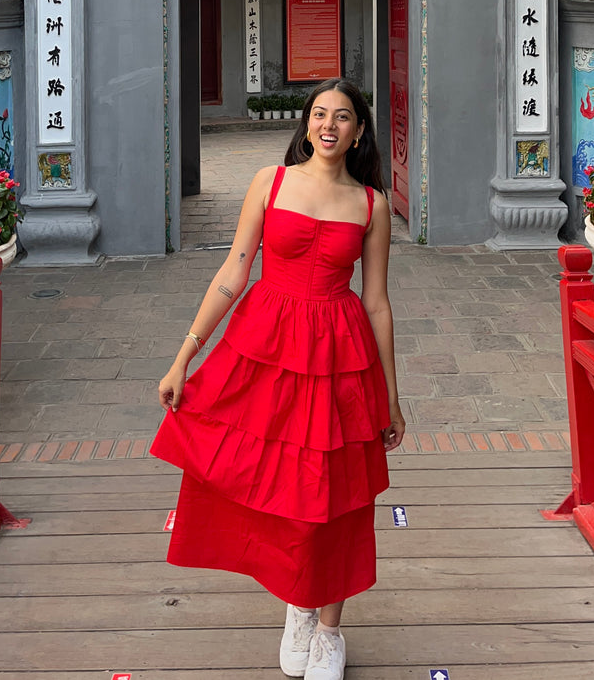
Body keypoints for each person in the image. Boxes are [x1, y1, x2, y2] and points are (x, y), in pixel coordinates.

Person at [151, 77, 405, 680]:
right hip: (265, 345)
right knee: (279, 482)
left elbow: (377, 303)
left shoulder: (371, 205)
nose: (328, 125)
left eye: (342, 117)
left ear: (358, 131)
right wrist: (185, 355)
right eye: (319, 113)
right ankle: (298, 601)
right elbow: (234, 272)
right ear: (306, 122)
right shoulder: (270, 182)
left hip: (340, 354)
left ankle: (329, 630)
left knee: (338, 495)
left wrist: (392, 397)